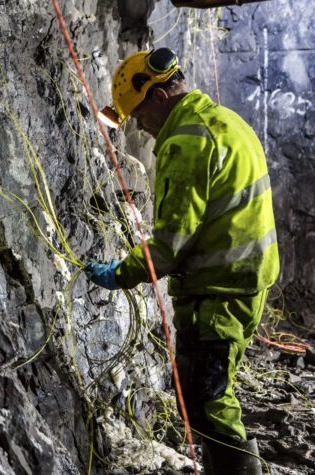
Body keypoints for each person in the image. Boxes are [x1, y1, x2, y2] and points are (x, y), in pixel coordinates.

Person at [86, 48, 279, 475]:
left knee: (205, 401)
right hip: (249, 284)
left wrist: (121, 273)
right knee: (213, 391)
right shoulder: (230, 123)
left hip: (218, 292)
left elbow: (171, 244)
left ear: (157, 96)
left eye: (138, 115)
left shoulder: (186, 140)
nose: (141, 127)